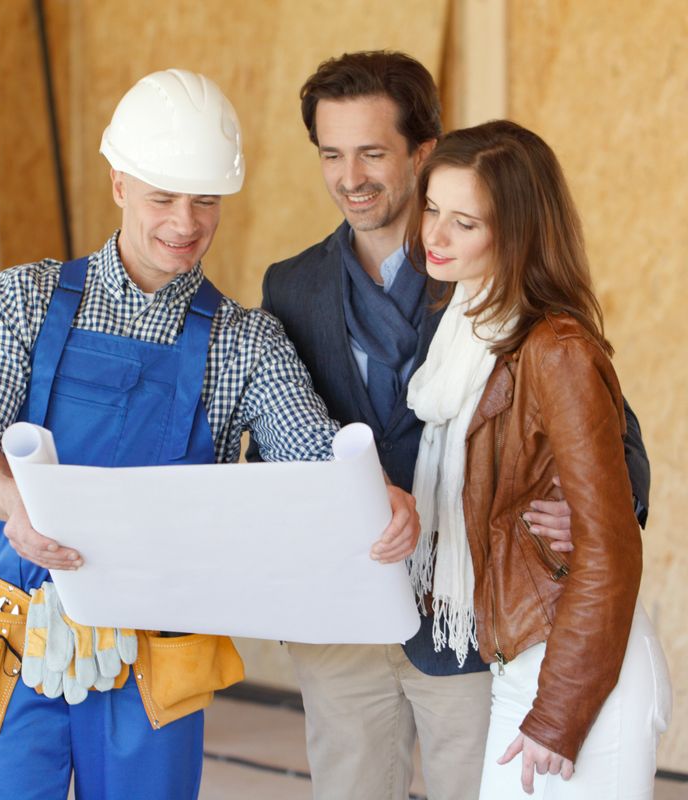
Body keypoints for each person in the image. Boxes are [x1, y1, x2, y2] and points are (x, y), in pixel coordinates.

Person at [0, 69, 419, 800]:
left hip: (152, 665)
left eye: (205, 201)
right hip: (14, 644)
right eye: (163, 197)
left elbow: (311, 452)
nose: (185, 223)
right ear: (120, 183)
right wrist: (12, 502)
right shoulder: (22, 300)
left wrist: (373, 497)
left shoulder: (245, 343)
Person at [248, 51, 651, 800]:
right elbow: (275, 444)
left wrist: (599, 509)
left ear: (423, 151)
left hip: (465, 622)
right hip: (342, 616)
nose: (350, 176)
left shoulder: (493, 278)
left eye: (372, 151)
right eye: (331, 154)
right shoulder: (290, 285)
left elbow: (612, 437)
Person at [405, 118, 671, 798]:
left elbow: (611, 548)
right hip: (522, 656)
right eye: (433, 208)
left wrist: (560, 712)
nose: (434, 235)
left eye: (464, 223)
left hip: (576, 668)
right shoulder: (465, 332)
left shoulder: (555, 350)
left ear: (516, 232)